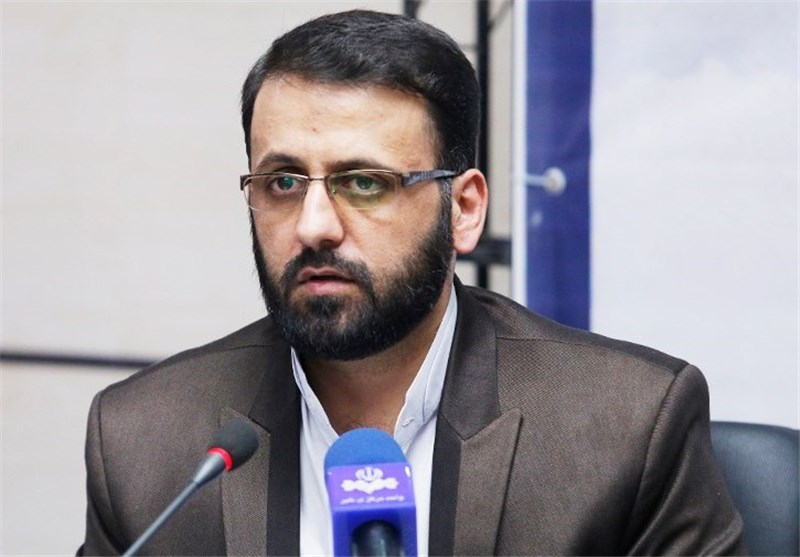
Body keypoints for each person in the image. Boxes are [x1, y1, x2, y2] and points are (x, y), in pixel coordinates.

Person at [80, 9, 745, 556]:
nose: (313, 226)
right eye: (283, 182)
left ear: (464, 209)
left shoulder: (626, 427)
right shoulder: (147, 442)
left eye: (364, 182)